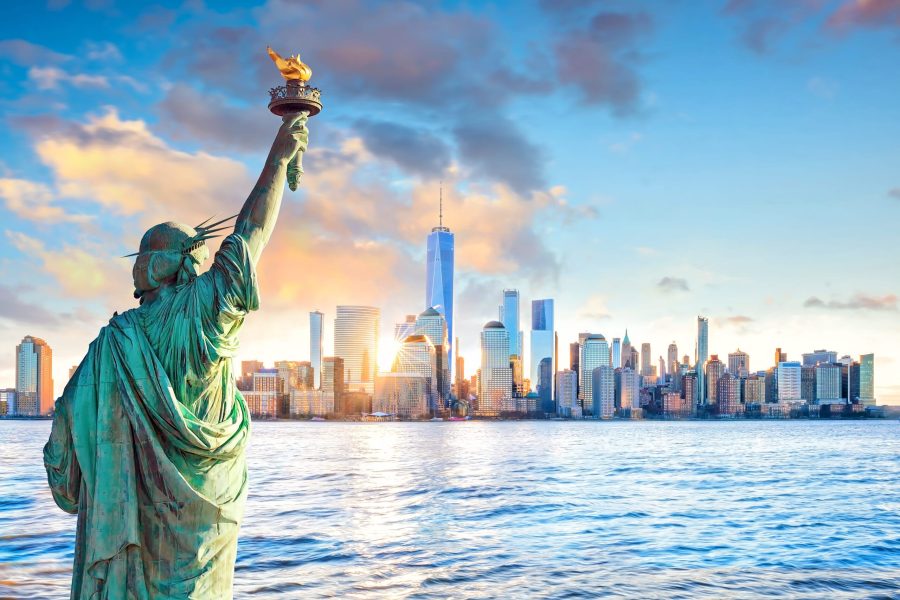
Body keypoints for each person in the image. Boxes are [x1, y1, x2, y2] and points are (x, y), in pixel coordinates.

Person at [43, 112, 309, 599]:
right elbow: (251, 235)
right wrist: (279, 157)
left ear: (159, 264)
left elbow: (63, 444)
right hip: (206, 518)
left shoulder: (115, 342)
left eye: (143, 255)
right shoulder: (209, 310)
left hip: (136, 530)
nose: (137, 266)